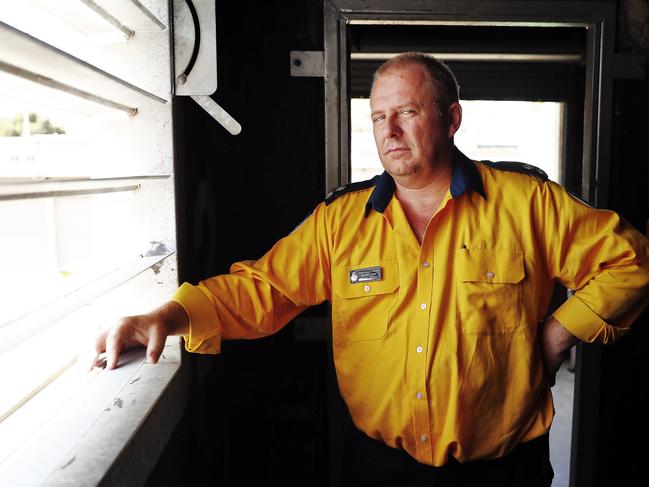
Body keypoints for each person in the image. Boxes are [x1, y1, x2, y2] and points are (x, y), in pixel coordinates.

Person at [95, 52, 649, 486]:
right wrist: (167, 314)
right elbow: (263, 289)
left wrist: (557, 334)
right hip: (381, 469)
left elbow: (632, 261)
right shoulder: (341, 221)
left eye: (407, 112)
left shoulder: (529, 203)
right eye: (379, 117)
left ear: (451, 118)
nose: (390, 131)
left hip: (503, 471)